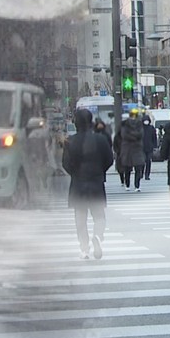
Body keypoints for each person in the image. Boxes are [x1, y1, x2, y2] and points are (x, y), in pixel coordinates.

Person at [63, 109, 115, 260]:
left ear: (76, 122)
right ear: (91, 121)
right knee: (99, 216)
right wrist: (99, 171)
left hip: (78, 184)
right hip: (96, 182)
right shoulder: (100, 140)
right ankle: (98, 236)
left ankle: (84, 249)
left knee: (80, 219)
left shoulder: (70, 141)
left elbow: (66, 164)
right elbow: (109, 159)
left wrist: (76, 173)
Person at [116, 109, 146, 191]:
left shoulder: (124, 124)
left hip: (127, 148)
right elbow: (140, 134)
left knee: (127, 168)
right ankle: (136, 186)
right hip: (136, 147)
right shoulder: (139, 124)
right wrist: (136, 136)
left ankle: (128, 185)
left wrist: (130, 135)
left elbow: (124, 135)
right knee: (137, 168)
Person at [142, 114, 158, 180]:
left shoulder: (151, 128)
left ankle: (147, 175)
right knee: (142, 162)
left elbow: (154, 137)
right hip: (141, 147)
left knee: (148, 161)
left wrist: (154, 146)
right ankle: (141, 173)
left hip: (149, 147)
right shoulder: (140, 127)